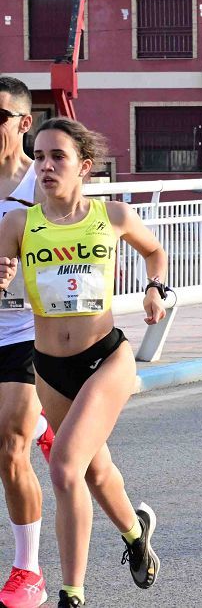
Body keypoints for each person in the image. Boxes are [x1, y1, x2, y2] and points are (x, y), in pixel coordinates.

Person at [0, 118, 165, 608]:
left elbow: (154, 250)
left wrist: (155, 287)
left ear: (84, 167)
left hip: (106, 357)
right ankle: (136, 534)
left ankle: (71, 594)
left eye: (58, 157)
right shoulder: (18, 224)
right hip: (49, 366)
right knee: (94, 471)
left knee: (65, 466)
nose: (46, 166)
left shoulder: (111, 217)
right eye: (41, 156)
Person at [0, 77, 55, 608]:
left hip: (24, 331)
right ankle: (42, 424)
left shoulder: (41, 187)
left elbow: (81, 250)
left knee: (8, 450)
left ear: (22, 122)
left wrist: (23, 265)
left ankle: (28, 570)